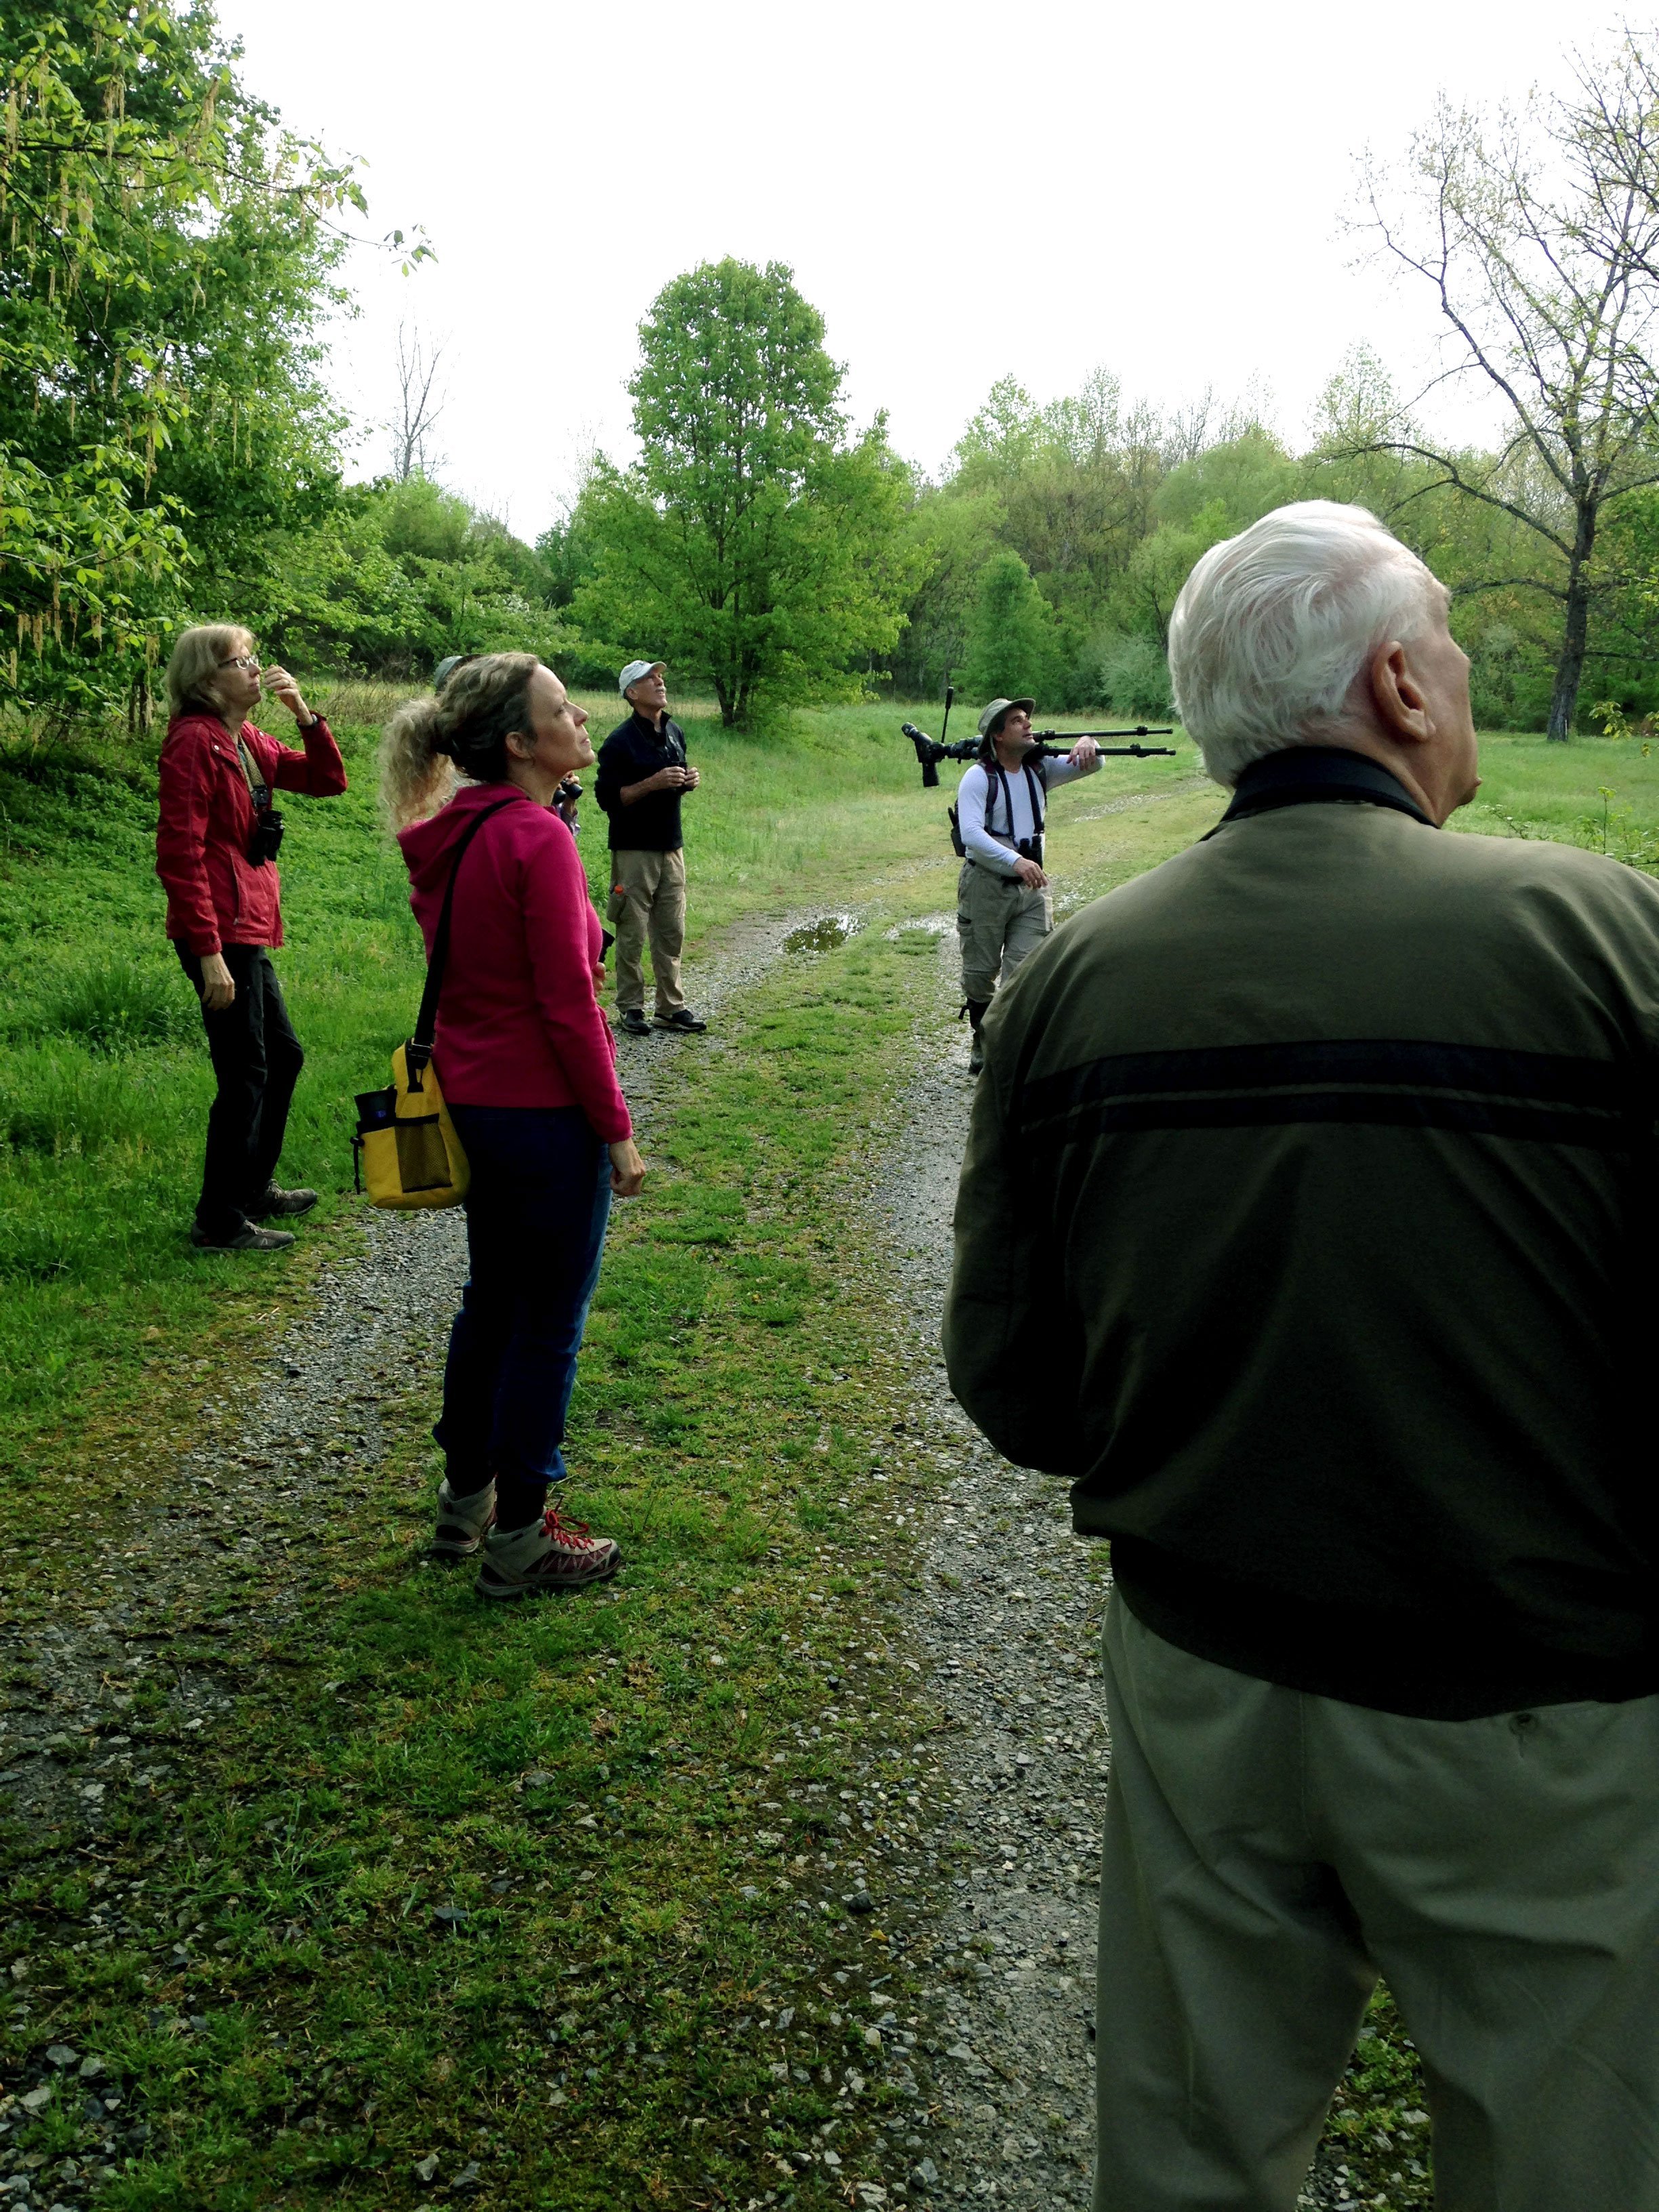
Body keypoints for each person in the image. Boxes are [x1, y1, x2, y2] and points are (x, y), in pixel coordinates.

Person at [944, 501, 1659, 2212]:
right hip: (1541, 1714)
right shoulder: (1612, 945)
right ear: (1402, 683)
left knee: (1184, 2155)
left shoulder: (1072, 986)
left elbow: (1014, 1389)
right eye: (1456, 653)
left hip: (1207, 1694)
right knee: (1570, 2159)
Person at [382, 652, 645, 1599]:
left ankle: (464, 1507)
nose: (581, 718)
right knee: (549, 1324)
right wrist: (615, 1130)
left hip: (475, 1105)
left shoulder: (462, 828)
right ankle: (525, 1535)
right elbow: (569, 1005)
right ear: (520, 743)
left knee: (491, 1302)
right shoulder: (535, 839)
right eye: (561, 709)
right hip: (544, 1117)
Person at [155, 624, 347, 1253]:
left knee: (282, 1057)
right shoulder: (193, 744)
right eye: (242, 662)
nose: (256, 670)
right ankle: (218, 1219)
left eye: (254, 659)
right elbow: (180, 852)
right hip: (218, 929)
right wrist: (208, 953)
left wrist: (303, 714)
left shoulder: (244, 740)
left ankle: (251, 1185)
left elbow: (325, 780)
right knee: (245, 1071)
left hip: (248, 924)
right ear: (207, 680)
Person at [955, 698, 1099, 1072]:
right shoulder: (977, 777)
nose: (1028, 724)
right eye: (1017, 721)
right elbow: (971, 834)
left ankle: (1008, 1050)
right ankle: (983, 1040)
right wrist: (1015, 861)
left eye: (1027, 718)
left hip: (1032, 890)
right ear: (998, 736)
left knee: (1025, 973)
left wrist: (1088, 742)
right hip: (986, 886)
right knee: (980, 974)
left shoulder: (1040, 770)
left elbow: (1094, 763)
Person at [595, 657, 706, 1036]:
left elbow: (672, 783)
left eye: (660, 677)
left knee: (671, 930)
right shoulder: (619, 741)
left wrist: (686, 781)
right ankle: (630, 1008)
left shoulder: (674, 730)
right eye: (650, 679)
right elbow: (607, 798)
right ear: (632, 693)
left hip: (671, 847)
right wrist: (652, 783)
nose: (660, 683)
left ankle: (671, 1007)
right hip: (633, 850)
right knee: (632, 930)